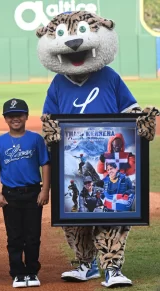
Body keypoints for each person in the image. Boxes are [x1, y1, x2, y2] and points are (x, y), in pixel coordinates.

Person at [35, 11, 159, 288]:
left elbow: (130, 112)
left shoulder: (110, 77)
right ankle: (86, 264)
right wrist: (52, 134)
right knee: (74, 214)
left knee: (113, 213)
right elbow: (49, 122)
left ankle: (112, 268)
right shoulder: (57, 83)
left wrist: (143, 120)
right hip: (73, 164)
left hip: (110, 162)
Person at [0, 98, 50, 288]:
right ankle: (17, 272)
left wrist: (45, 189)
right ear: (5, 118)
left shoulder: (36, 139)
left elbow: (45, 164)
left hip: (32, 193)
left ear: (26, 116)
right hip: (11, 194)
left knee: (32, 235)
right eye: (11, 116)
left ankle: (31, 270)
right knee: (14, 236)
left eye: (19, 115)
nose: (15, 119)